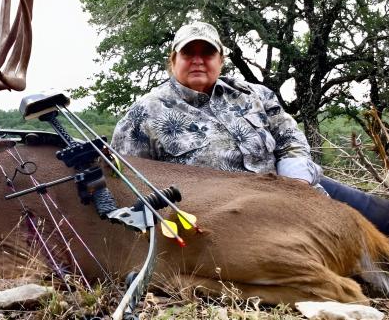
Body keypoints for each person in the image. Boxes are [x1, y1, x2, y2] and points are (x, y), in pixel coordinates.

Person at [111, 21, 389, 234]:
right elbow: (128, 181)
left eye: (207, 53)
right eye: (188, 53)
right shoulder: (144, 113)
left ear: (221, 61)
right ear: (173, 61)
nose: (198, 60)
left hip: (296, 186)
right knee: (355, 249)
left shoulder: (255, 94)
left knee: (381, 215)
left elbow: (290, 138)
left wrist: (296, 184)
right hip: (238, 216)